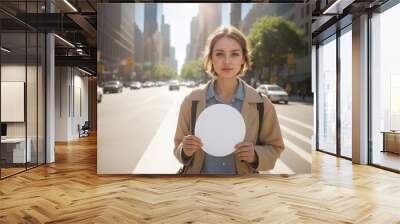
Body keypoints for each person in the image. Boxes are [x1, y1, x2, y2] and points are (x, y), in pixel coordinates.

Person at [173, 26, 284, 174]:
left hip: (242, 192)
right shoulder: (192, 101)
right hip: (200, 190)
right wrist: (185, 150)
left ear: (243, 58)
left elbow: (275, 147)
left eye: (234, 54)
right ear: (211, 58)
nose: (227, 61)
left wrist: (256, 155)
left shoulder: (261, 104)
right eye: (219, 54)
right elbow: (178, 146)